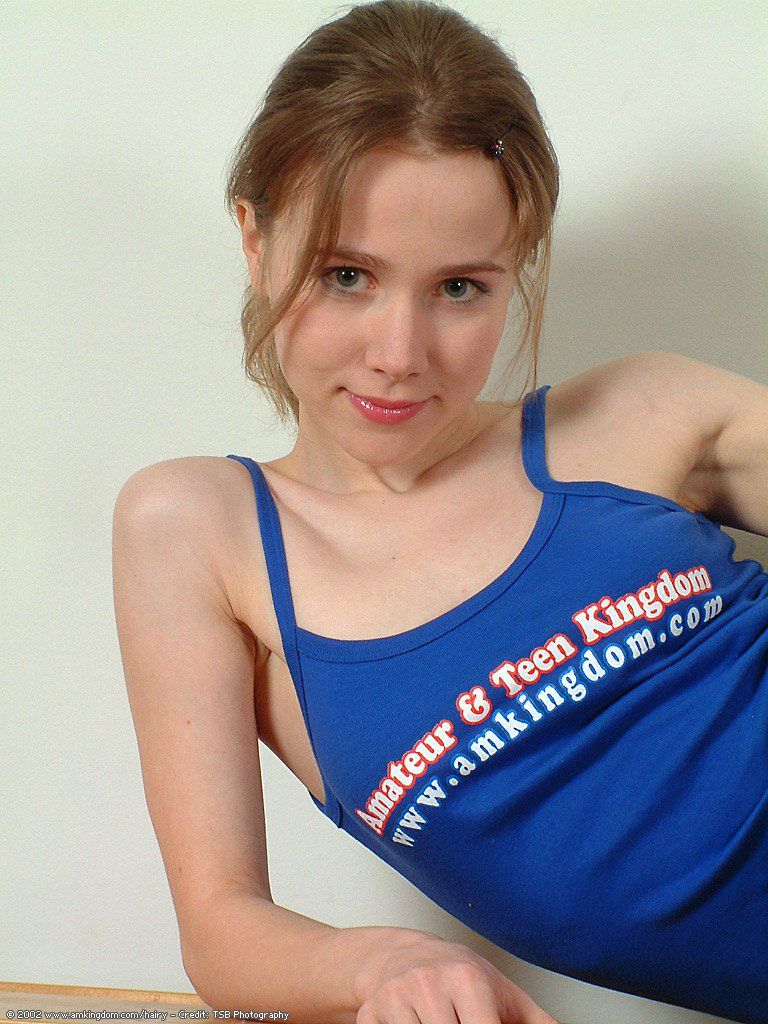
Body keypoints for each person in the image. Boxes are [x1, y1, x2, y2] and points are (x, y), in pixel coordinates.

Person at [111, 2, 768, 1022]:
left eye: (460, 288)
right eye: (346, 276)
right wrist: (386, 964)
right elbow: (221, 928)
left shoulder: (640, 412)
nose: (400, 354)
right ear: (255, 237)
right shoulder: (201, 531)